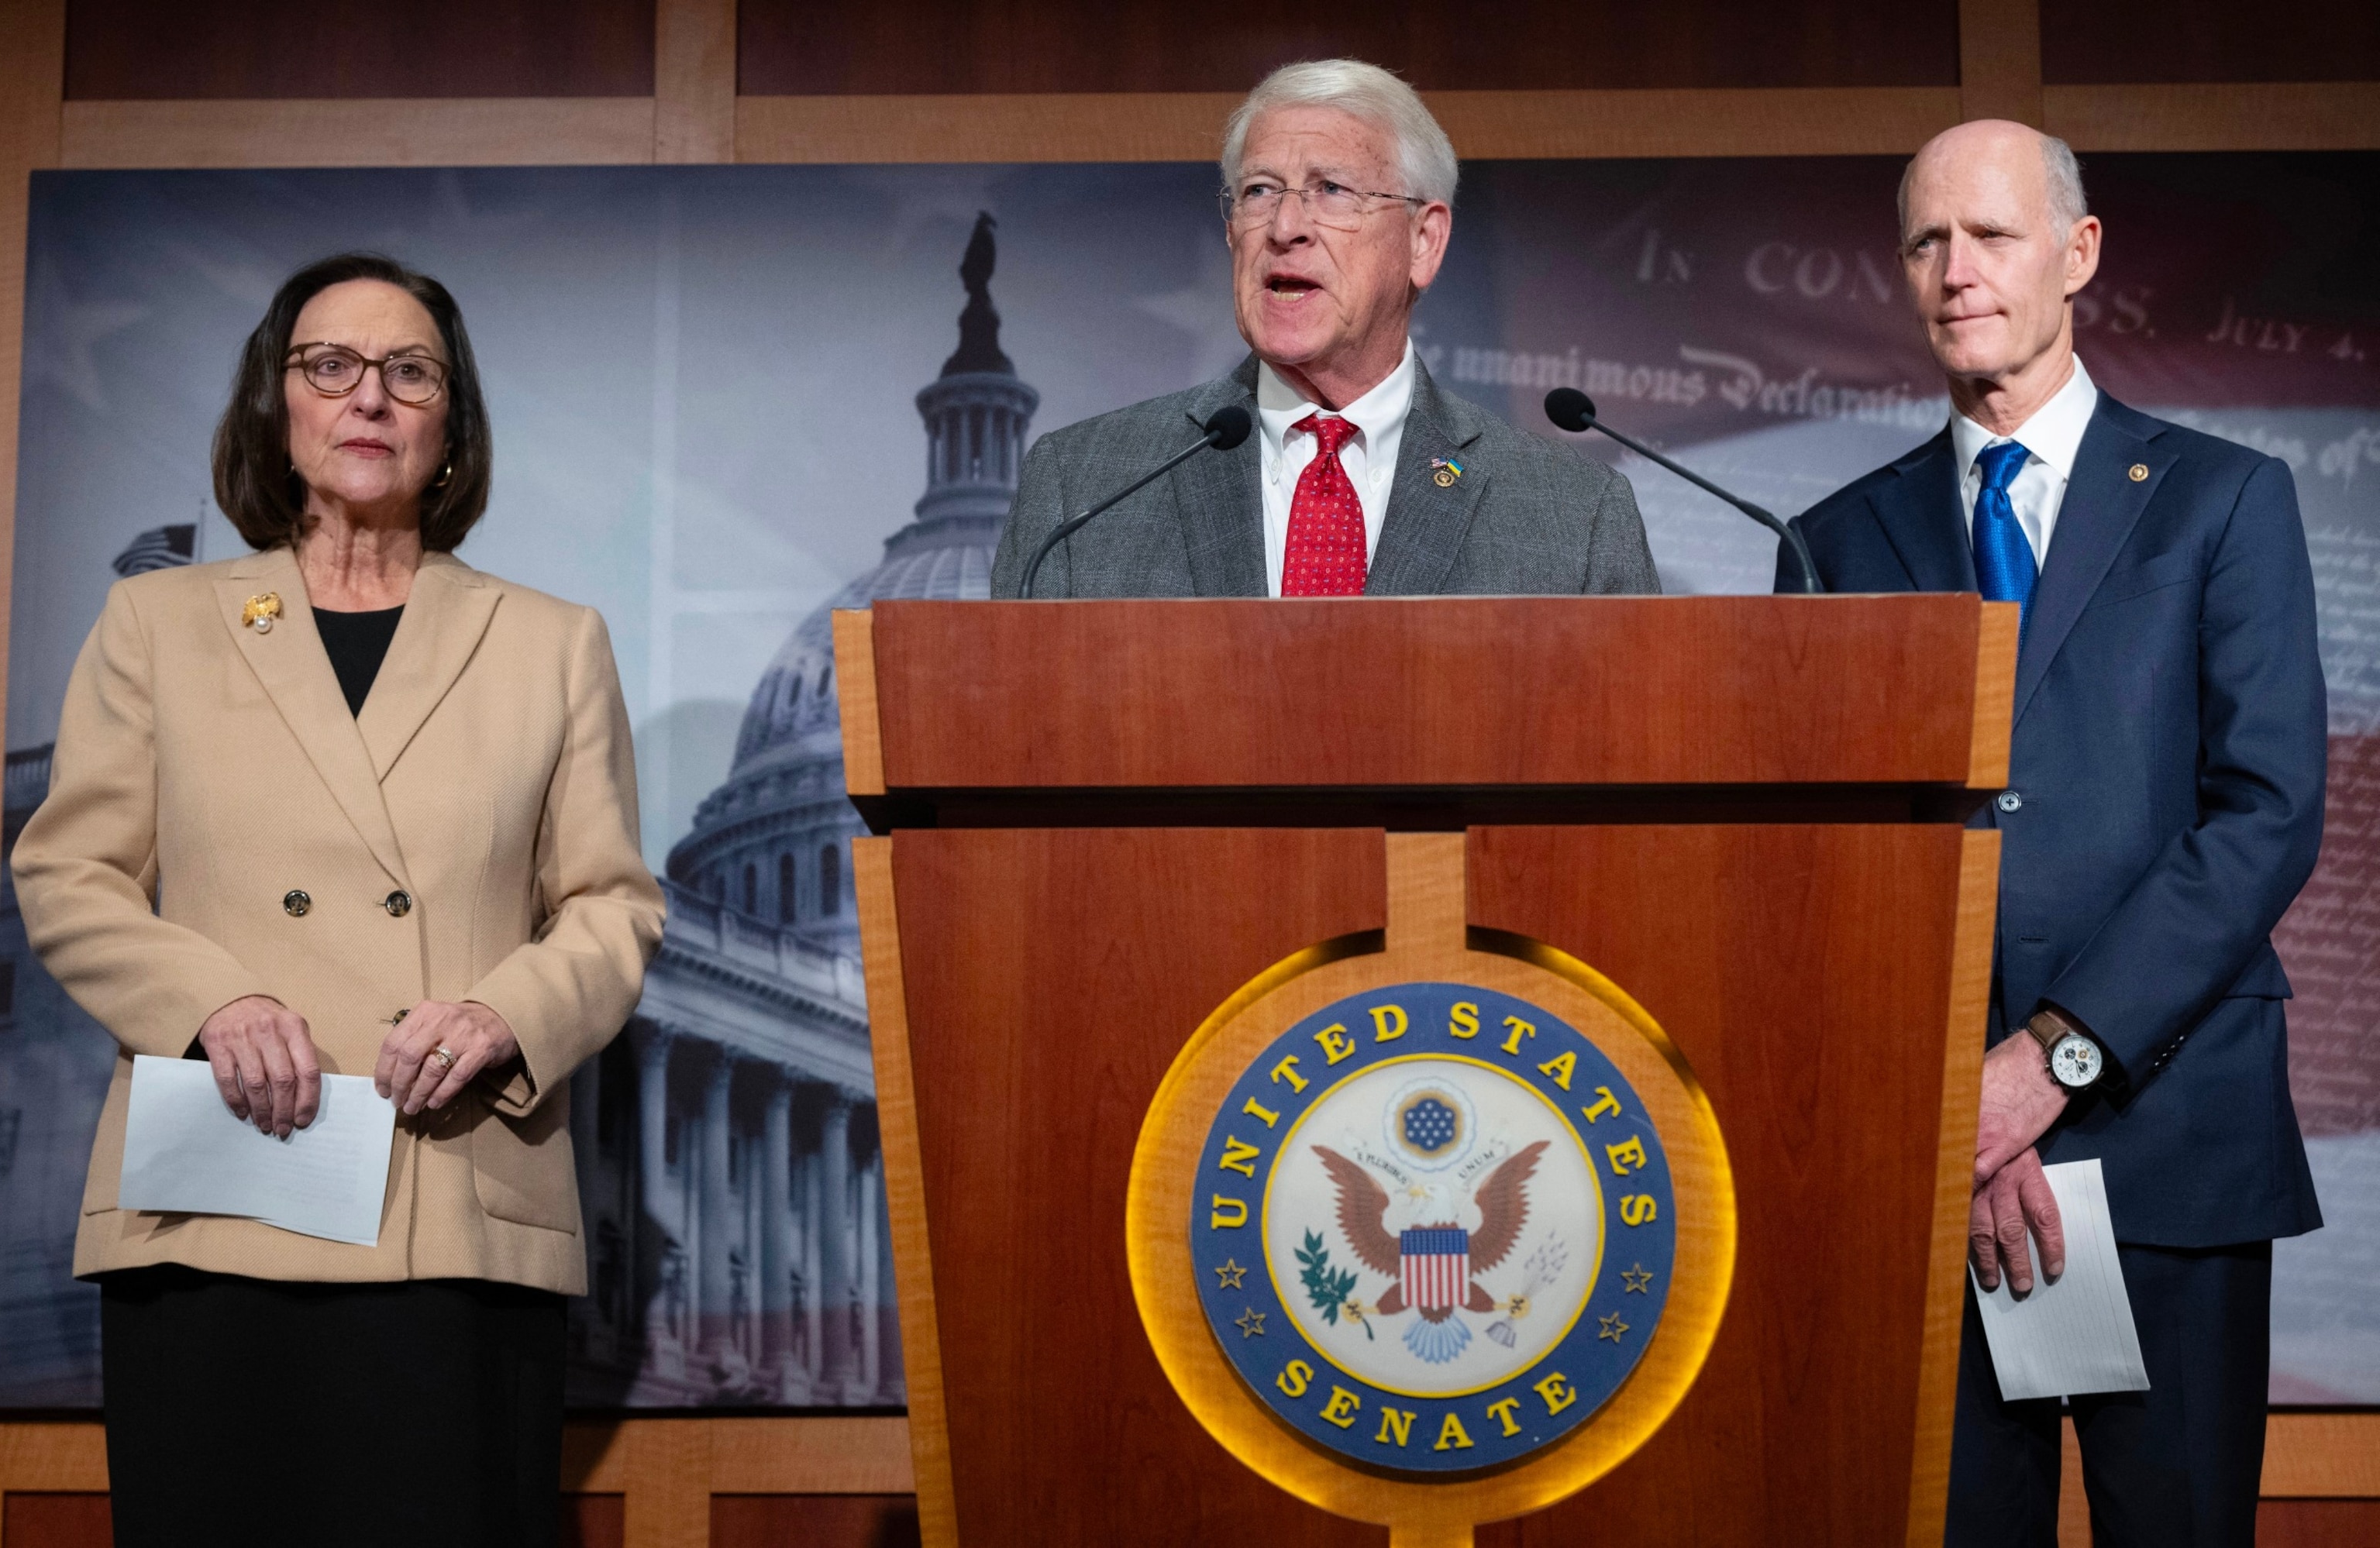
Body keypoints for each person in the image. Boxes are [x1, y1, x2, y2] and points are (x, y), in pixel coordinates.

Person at [11, 252, 665, 1547]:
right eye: (331, 365)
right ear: (280, 407)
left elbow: (610, 904)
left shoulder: (551, 641)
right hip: (221, 1193)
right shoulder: (157, 623)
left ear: (451, 425)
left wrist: (507, 1013)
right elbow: (67, 870)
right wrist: (208, 999)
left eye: (409, 371)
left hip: (452, 1192)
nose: (369, 396)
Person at [1779, 122, 2324, 1544]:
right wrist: (1958, 1107)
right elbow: (1824, 871)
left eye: (1992, 235)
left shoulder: (2220, 499)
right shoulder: (1832, 542)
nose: (1957, 271)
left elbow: (2263, 813)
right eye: (1925, 242)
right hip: (1930, 1170)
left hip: (2168, 1146)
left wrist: (2047, 1061)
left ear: (2077, 255)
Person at [990, 59, 1658, 599]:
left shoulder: (1573, 515)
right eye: (1259, 191)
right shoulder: (1084, 488)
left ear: (1424, 242)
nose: (1285, 228)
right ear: (1231, 232)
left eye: (1331, 190)